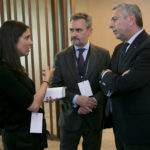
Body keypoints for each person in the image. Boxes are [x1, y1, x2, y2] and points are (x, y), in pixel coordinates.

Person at [50, 13, 110, 150]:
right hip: (70, 118)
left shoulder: (103, 54)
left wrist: (92, 101)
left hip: (93, 118)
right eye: (71, 30)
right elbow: (55, 86)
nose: (73, 34)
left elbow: (106, 86)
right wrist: (77, 99)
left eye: (78, 30)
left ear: (90, 31)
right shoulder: (61, 57)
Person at [100, 3, 150, 150]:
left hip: (139, 130)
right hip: (119, 125)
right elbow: (106, 80)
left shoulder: (147, 46)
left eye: (114, 19)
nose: (110, 25)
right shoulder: (119, 48)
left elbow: (124, 84)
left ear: (131, 19)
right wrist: (110, 77)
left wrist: (111, 78)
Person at [0, 20, 54, 150]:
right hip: (19, 137)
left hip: (28, 131)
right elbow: (33, 105)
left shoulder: (14, 67)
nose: (31, 42)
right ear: (12, 40)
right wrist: (46, 80)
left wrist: (42, 96)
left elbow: (23, 99)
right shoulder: (3, 70)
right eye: (27, 37)